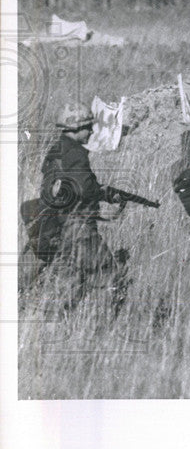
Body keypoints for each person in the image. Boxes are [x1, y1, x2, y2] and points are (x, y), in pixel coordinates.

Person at [23, 101, 127, 310]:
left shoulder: (56, 149)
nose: (91, 131)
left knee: (71, 279)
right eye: (88, 126)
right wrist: (107, 194)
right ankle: (107, 322)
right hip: (78, 228)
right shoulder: (76, 153)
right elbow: (85, 188)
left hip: (56, 224)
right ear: (76, 128)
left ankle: (57, 316)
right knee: (112, 277)